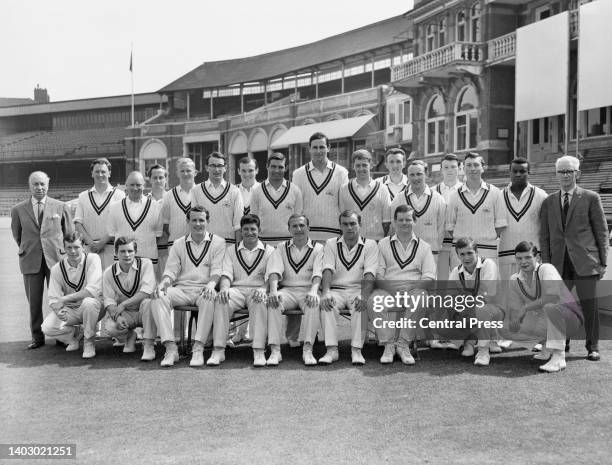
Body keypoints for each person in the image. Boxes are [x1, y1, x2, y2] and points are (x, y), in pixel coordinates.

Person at [540, 155, 608, 361]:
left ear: (578, 173)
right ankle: (562, 343)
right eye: (561, 171)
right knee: (560, 305)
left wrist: (602, 263)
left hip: (586, 262)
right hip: (558, 263)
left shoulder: (590, 197)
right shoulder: (549, 201)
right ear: (556, 174)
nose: (565, 175)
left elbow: (602, 232)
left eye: (569, 171)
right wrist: (546, 264)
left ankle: (592, 346)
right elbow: (545, 235)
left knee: (590, 306)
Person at [150, 206, 225, 367]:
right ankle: (171, 348)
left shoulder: (218, 242)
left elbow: (217, 271)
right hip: (182, 290)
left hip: (204, 289)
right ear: (188, 222)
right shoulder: (178, 244)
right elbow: (171, 271)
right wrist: (163, 284)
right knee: (158, 297)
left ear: (208, 222)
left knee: (209, 297)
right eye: (194, 220)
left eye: (201, 220)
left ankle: (198, 348)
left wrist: (211, 285)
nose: (198, 224)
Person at [11, 171, 72, 349]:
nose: (39, 187)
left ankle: (62, 335)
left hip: (56, 260)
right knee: (34, 302)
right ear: (29, 186)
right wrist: (31, 249)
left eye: (42, 184)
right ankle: (37, 337)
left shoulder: (61, 206)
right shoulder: (18, 209)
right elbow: (18, 236)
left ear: (48, 184)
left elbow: (69, 234)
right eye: (35, 184)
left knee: (61, 300)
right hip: (31, 260)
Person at [391, 160, 447, 349]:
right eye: (412, 174)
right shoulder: (399, 199)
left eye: (419, 174)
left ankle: (431, 336)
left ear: (426, 175)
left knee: (431, 295)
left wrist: (434, 250)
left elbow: (441, 229)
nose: (416, 178)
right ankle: (404, 335)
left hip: (431, 253)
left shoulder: (438, 199)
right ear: (408, 175)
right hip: (406, 255)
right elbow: (395, 227)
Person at [505, 241, 583, 373]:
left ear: (537, 258)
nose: (523, 262)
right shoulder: (514, 279)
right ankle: (546, 347)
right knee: (505, 326)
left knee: (550, 307)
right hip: (545, 319)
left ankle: (559, 356)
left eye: (528, 257)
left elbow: (552, 297)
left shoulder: (546, 268)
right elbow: (516, 309)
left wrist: (525, 308)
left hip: (570, 319)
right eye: (519, 258)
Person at [372, 205, 436, 364]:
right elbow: (378, 275)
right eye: (400, 220)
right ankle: (389, 345)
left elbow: (429, 277)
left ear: (415, 221)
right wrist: (394, 290)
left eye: (408, 219)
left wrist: (410, 288)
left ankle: (403, 344)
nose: (404, 223)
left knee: (421, 298)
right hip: (388, 289)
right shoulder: (383, 244)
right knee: (374, 301)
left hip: (414, 289)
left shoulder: (425, 247)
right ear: (394, 222)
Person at [214, 214, 275, 366]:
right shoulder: (230, 250)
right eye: (245, 229)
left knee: (260, 301)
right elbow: (226, 274)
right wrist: (224, 289)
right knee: (222, 299)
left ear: (259, 230)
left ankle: (259, 350)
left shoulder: (270, 250)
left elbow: (272, 275)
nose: (249, 232)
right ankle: (219, 350)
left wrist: (263, 288)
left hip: (258, 290)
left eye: (253, 229)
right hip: (237, 290)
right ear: (241, 231)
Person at [320, 210, 379, 365]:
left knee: (361, 304)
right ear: (340, 226)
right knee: (327, 304)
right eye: (345, 224)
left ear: (360, 225)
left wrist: (364, 295)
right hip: (336, 290)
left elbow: (370, 272)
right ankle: (331, 350)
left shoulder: (370, 244)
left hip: (357, 291)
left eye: (353, 223)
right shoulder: (331, 243)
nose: (349, 227)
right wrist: (325, 292)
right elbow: (327, 268)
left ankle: (356, 350)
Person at [434, 237, 505, 366]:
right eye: (462, 254)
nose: (466, 257)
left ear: (477, 253)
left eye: (469, 253)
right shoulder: (456, 271)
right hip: (469, 310)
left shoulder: (488, 264)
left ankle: (484, 349)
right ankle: (469, 341)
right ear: (457, 255)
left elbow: (486, 296)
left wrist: (463, 306)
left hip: (496, 311)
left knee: (480, 309)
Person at [266, 214, 324, 365]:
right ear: (289, 229)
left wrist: (313, 291)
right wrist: (273, 291)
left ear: (308, 228)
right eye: (294, 226)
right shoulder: (280, 248)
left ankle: (308, 349)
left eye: (302, 225)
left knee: (314, 302)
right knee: (273, 301)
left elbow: (318, 273)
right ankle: (275, 351)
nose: (298, 229)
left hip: (309, 290)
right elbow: (274, 271)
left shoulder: (319, 248)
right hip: (288, 291)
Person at [41, 232, 103, 358]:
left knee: (88, 302)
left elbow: (92, 291)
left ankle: (89, 342)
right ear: (64, 248)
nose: (73, 251)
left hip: (95, 308)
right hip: (72, 310)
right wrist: (58, 311)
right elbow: (53, 299)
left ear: (83, 247)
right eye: (69, 247)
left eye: (76, 247)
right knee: (47, 327)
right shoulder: (56, 269)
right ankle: (74, 336)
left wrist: (64, 299)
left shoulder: (93, 259)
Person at [446, 153, 507, 269]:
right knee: (461, 286)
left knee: (487, 286)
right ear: (463, 169)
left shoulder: (495, 193)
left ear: (482, 168)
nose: (472, 168)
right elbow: (450, 227)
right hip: (461, 254)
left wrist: (485, 237)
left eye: (476, 165)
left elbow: (500, 225)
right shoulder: (454, 196)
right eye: (468, 165)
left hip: (487, 252)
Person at [102, 236, 157, 360]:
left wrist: (123, 304)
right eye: (122, 251)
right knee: (110, 327)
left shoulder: (146, 264)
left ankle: (148, 344)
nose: (127, 255)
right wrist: (118, 316)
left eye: (130, 251)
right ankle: (129, 336)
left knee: (148, 302)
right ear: (116, 253)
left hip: (146, 311)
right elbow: (109, 300)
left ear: (135, 252)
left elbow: (146, 292)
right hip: (127, 314)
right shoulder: (108, 272)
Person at [292, 132, 349, 241]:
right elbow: (296, 209)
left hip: (333, 236)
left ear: (329, 148)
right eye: (315, 147)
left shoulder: (341, 173)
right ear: (309, 149)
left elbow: (344, 207)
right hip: (306, 236)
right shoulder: (298, 174)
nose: (318, 151)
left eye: (322, 147)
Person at [498, 158, 547, 281]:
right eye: (514, 171)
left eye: (522, 171)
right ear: (509, 172)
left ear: (529, 173)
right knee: (509, 297)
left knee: (534, 295)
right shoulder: (498, 196)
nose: (518, 174)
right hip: (506, 256)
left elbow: (546, 229)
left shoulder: (541, 195)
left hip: (532, 258)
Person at [73, 158, 125, 270]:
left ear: (109, 173)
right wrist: (91, 243)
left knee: (111, 285)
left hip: (112, 249)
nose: (100, 174)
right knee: (91, 285)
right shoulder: (83, 196)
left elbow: (120, 223)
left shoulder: (120, 195)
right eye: (97, 171)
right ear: (92, 173)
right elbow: (78, 223)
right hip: (89, 249)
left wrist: (102, 242)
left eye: (103, 171)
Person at [107, 171, 163, 272]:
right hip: (123, 260)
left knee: (148, 287)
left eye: (138, 185)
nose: (135, 188)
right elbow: (112, 232)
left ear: (144, 186)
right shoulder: (114, 207)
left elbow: (158, 234)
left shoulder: (155, 207)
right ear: (126, 186)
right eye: (132, 185)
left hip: (148, 259)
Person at [250, 152, 303, 245]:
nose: (277, 170)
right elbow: (254, 221)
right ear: (267, 166)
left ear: (286, 168)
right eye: (273, 166)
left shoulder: (295, 190)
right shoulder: (256, 191)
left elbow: (298, 221)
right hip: (264, 245)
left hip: (288, 245)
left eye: (280, 167)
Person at [190, 152, 244, 244]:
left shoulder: (234, 191)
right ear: (207, 167)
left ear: (225, 168)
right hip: (204, 245)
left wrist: (237, 250)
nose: (217, 169)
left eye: (220, 165)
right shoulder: (196, 191)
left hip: (227, 246)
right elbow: (194, 222)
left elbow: (238, 225)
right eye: (213, 165)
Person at [339, 149, 391, 241]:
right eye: (358, 165)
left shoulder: (383, 189)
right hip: (352, 242)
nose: (361, 168)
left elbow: (386, 221)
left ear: (371, 165)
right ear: (353, 166)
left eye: (364, 165)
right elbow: (342, 219)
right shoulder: (344, 189)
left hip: (376, 241)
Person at [159, 158, 196, 279]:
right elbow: (165, 223)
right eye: (182, 171)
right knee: (175, 278)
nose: (185, 174)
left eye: (188, 170)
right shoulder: (169, 195)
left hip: (198, 244)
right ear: (177, 173)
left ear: (195, 172)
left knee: (195, 278)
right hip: (174, 244)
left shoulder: (202, 192)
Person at [434, 154, 463, 281]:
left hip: (459, 241)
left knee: (460, 277)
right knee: (441, 278)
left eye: (453, 167)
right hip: (441, 242)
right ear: (441, 169)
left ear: (459, 168)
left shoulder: (465, 190)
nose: (449, 170)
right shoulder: (432, 192)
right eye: (446, 167)